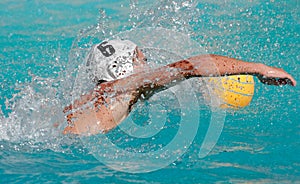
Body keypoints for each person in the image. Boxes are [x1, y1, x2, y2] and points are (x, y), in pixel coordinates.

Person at [63, 39, 296, 134]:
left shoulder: (96, 96)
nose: (148, 64)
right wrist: (259, 68)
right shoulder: (128, 87)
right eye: (141, 59)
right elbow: (190, 67)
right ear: (123, 69)